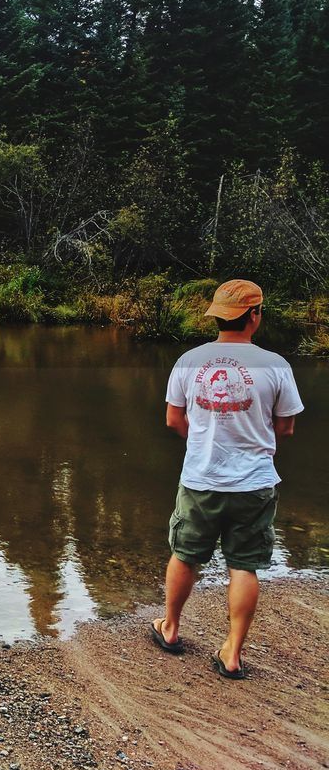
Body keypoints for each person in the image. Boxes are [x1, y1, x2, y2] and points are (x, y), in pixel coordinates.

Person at [150, 279, 304, 679]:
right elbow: (285, 428)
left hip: (201, 478)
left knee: (185, 554)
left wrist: (201, 441)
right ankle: (232, 653)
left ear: (217, 315)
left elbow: (172, 419)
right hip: (254, 483)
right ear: (254, 316)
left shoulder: (189, 360)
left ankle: (170, 629)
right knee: (244, 565)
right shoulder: (275, 365)